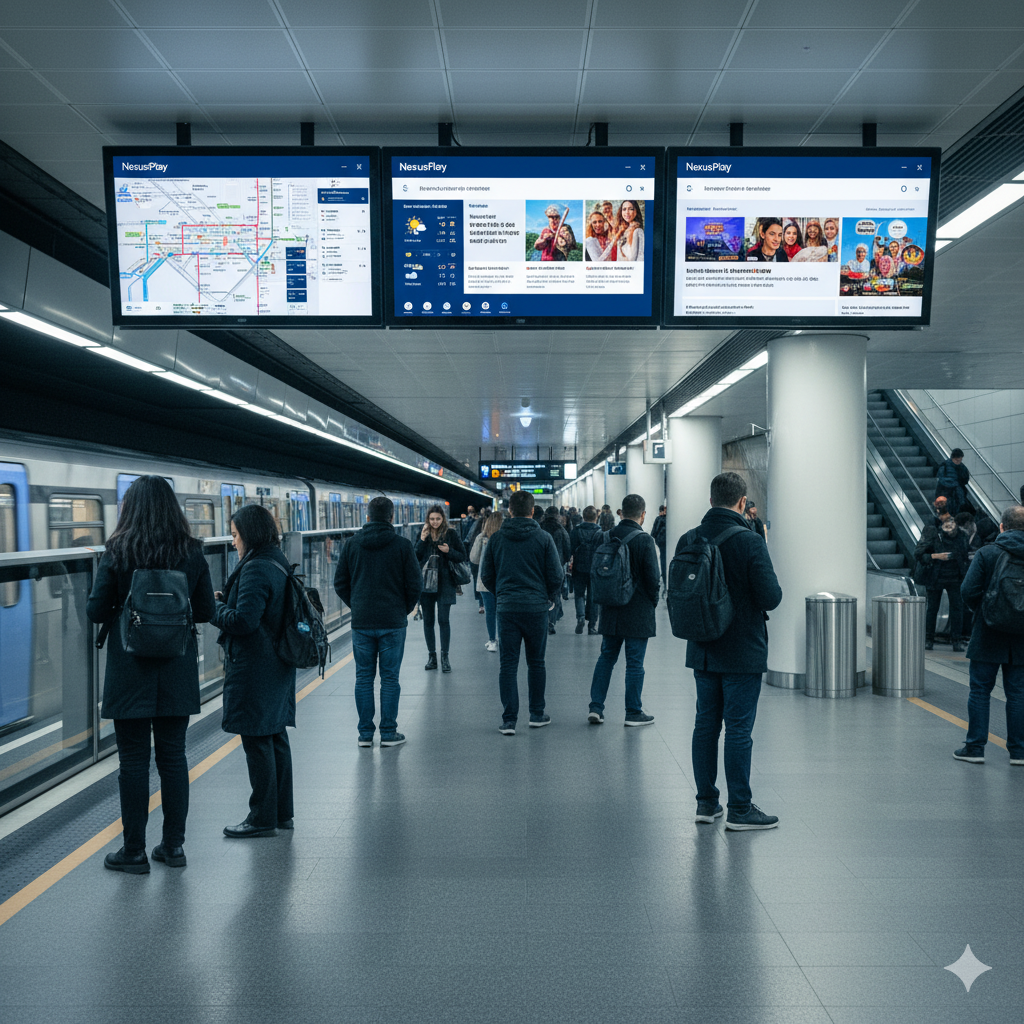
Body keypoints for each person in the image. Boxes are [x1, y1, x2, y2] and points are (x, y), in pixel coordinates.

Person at [87, 476, 216, 873]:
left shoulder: (118, 550)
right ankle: (173, 847)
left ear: (131, 508)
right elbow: (206, 611)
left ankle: (134, 852)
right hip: (176, 666)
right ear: (172, 508)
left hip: (130, 669)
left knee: (133, 761)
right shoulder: (192, 550)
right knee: (173, 757)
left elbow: (95, 610)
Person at [681, 471, 783, 831]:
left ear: (711, 500)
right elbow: (771, 596)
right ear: (742, 502)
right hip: (742, 649)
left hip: (703, 647)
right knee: (738, 729)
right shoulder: (750, 541)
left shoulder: (689, 539)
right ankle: (740, 808)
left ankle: (706, 803)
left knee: (705, 724)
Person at [211, 504, 297, 839]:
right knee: (275, 736)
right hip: (276, 663)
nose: (233, 541)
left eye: (235, 535)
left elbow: (244, 621)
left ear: (249, 534)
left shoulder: (256, 567)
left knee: (258, 739)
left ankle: (261, 817)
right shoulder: (276, 559)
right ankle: (282, 813)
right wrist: (230, 600)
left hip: (256, 666)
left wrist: (215, 607)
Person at [333, 495, 421, 748]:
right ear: (392, 517)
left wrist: (358, 605)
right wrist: (403, 609)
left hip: (362, 622)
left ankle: (365, 735)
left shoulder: (352, 544)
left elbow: (340, 583)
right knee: (390, 678)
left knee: (363, 678)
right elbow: (415, 584)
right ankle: (389, 733)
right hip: (392, 621)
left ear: (367, 516)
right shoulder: (402, 545)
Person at [480, 489, 563, 735]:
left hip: (507, 609)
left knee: (508, 664)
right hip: (536, 608)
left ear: (510, 511)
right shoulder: (544, 538)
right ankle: (537, 714)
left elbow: (486, 575)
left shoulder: (496, 539)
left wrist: (502, 594)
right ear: (532, 511)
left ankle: (509, 720)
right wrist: (547, 597)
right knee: (536, 662)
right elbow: (556, 575)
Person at [955, 505, 1024, 765]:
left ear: (1002, 526)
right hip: (1022, 636)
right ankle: (1019, 751)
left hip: (988, 632)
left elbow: (967, 590)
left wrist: (985, 611)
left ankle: (975, 748)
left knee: (980, 691)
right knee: (1018, 693)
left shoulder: (987, 552)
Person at [588, 493, 661, 727]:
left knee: (606, 657)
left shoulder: (606, 536)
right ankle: (633, 712)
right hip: (638, 610)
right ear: (643, 514)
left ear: (621, 512)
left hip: (610, 607)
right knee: (635, 663)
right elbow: (653, 579)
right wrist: (652, 602)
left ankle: (596, 707)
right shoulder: (645, 540)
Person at [415, 505, 467, 673]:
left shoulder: (451, 534)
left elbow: (462, 556)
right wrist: (422, 540)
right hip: (426, 584)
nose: (435, 522)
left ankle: (445, 657)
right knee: (428, 621)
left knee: (444, 620)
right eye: (432, 519)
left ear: (443, 519)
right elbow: (415, 556)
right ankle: (432, 657)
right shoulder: (423, 533)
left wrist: (449, 551)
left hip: (445, 582)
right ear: (428, 519)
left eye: (438, 519)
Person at [915, 507, 970, 651]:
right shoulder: (934, 535)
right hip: (935, 576)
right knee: (932, 608)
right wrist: (937, 556)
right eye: (946, 524)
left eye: (951, 523)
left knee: (957, 608)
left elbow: (965, 554)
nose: (949, 526)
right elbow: (919, 554)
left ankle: (956, 640)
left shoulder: (962, 536)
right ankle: (928, 639)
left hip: (956, 577)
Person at [471, 512, 504, 652]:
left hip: (485, 581)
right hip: (503, 581)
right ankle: (503, 639)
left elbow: (474, 558)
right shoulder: (506, 537)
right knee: (502, 612)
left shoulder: (482, 537)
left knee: (490, 612)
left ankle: (492, 640)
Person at [570, 505, 603, 634]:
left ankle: (581, 617)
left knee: (579, 594)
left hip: (579, 567)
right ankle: (592, 626)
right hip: (595, 568)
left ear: (583, 517)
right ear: (596, 517)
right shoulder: (600, 532)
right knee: (593, 596)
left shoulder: (576, 531)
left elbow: (571, 549)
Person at [541, 505, 571, 634]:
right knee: (555, 593)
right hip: (557, 566)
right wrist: (564, 561)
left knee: (542, 593)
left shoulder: (540, 528)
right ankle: (551, 621)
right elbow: (568, 549)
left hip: (541, 567)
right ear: (557, 515)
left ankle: (543, 618)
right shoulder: (561, 530)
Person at [935, 448, 970, 516]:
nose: (959, 462)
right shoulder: (945, 467)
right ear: (953, 458)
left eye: (960, 460)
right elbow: (943, 481)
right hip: (948, 493)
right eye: (957, 460)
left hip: (954, 494)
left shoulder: (962, 467)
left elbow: (965, 480)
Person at [651, 504, 668, 589]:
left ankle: (665, 580)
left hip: (662, 543)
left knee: (663, 561)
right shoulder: (670, 519)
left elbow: (653, 532)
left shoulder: (659, 519)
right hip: (668, 543)